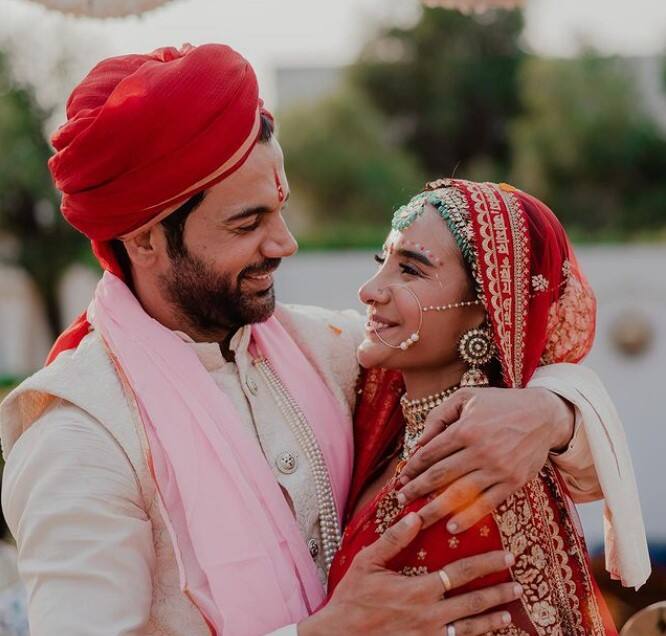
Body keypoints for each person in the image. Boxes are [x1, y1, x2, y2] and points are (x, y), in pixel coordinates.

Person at [0, 44, 638, 636]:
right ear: (143, 241)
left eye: (280, 207)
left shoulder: (320, 349)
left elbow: (504, 355)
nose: (284, 243)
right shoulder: (79, 439)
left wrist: (548, 415)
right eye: (248, 222)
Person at [327, 178, 651, 634]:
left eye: (411, 270)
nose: (368, 289)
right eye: (383, 261)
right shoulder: (394, 428)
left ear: (489, 308)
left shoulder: (482, 473)